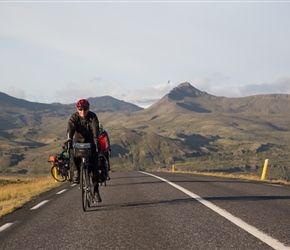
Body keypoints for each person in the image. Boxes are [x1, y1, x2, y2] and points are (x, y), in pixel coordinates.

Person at [66, 99, 102, 203]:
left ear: (88, 109)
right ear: (77, 109)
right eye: (80, 109)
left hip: (90, 143)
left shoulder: (92, 116)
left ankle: (96, 192)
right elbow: (70, 129)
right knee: (72, 152)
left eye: (85, 109)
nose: (83, 112)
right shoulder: (74, 117)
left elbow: (95, 128)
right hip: (78, 143)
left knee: (95, 166)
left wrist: (96, 139)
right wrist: (69, 139)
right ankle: (76, 172)